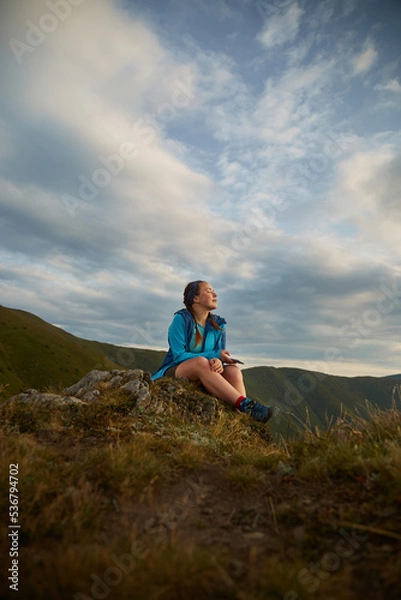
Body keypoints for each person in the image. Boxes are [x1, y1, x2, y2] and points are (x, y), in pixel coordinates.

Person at [152, 280, 277, 423]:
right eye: (209, 291)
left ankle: (243, 420)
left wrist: (218, 361)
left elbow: (218, 354)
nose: (215, 294)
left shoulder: (218, 325)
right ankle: (246, 405)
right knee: (201, 363)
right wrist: (214, 356)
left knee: (234, 371)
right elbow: (179, 356)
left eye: (214, 291)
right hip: (175, 370)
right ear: (195, 298)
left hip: (204, 370)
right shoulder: (181, 320)